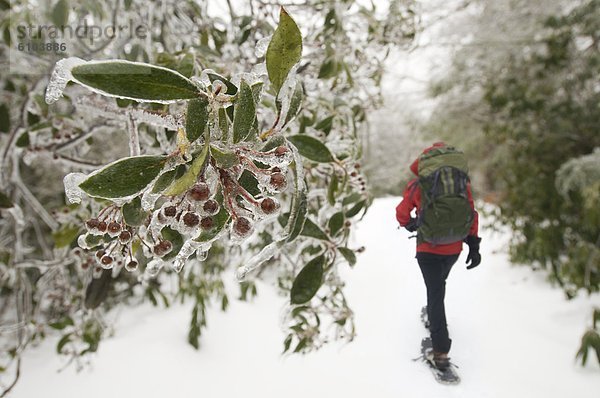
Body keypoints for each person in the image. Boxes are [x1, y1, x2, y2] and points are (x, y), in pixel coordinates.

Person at [395, 142, 481, 370]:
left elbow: (401, 213)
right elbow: (471, 212)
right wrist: (474, 244)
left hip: (428, 249)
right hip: (454, 248)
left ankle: (441, 352)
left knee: (435, 294)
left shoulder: (419, 184)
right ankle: (433, 316)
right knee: (438, 286)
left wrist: (410, 224)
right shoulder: (461, 184)